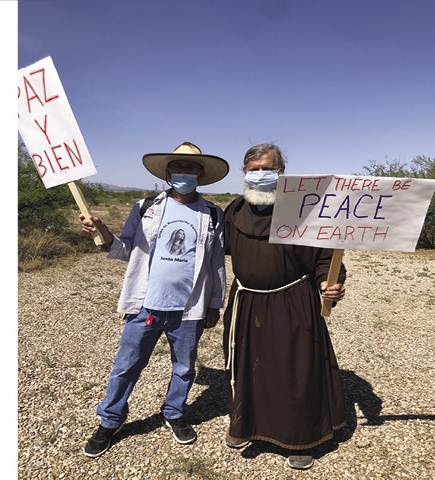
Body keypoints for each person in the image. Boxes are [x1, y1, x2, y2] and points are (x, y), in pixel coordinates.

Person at [79, 142, 229, 457]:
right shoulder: (145, 207)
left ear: (201, 174)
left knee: (185, 367)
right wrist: (103, 231)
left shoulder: (213, 214)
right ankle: (111, 419)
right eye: (178, 167)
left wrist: (215, 303)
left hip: (190, 309)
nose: (184, 173)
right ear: (167, 171)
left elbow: (216, 263)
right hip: (146, 305)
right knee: (126, 365)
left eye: (191, 168)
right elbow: (124, 250)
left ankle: (174, 412)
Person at [221, 143, 347, 470]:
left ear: (281, 173)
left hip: (291, 302)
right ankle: (245, 425)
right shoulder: (233, 211)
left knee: (296, 370)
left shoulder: (303, 210)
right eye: (254, 169)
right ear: (245, 173)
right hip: (246, 302)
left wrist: (328, 282)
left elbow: (325, 257)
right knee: (248, 367)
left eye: (268, 169)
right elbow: (213, 255)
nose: (260, 175)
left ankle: (301, 437)